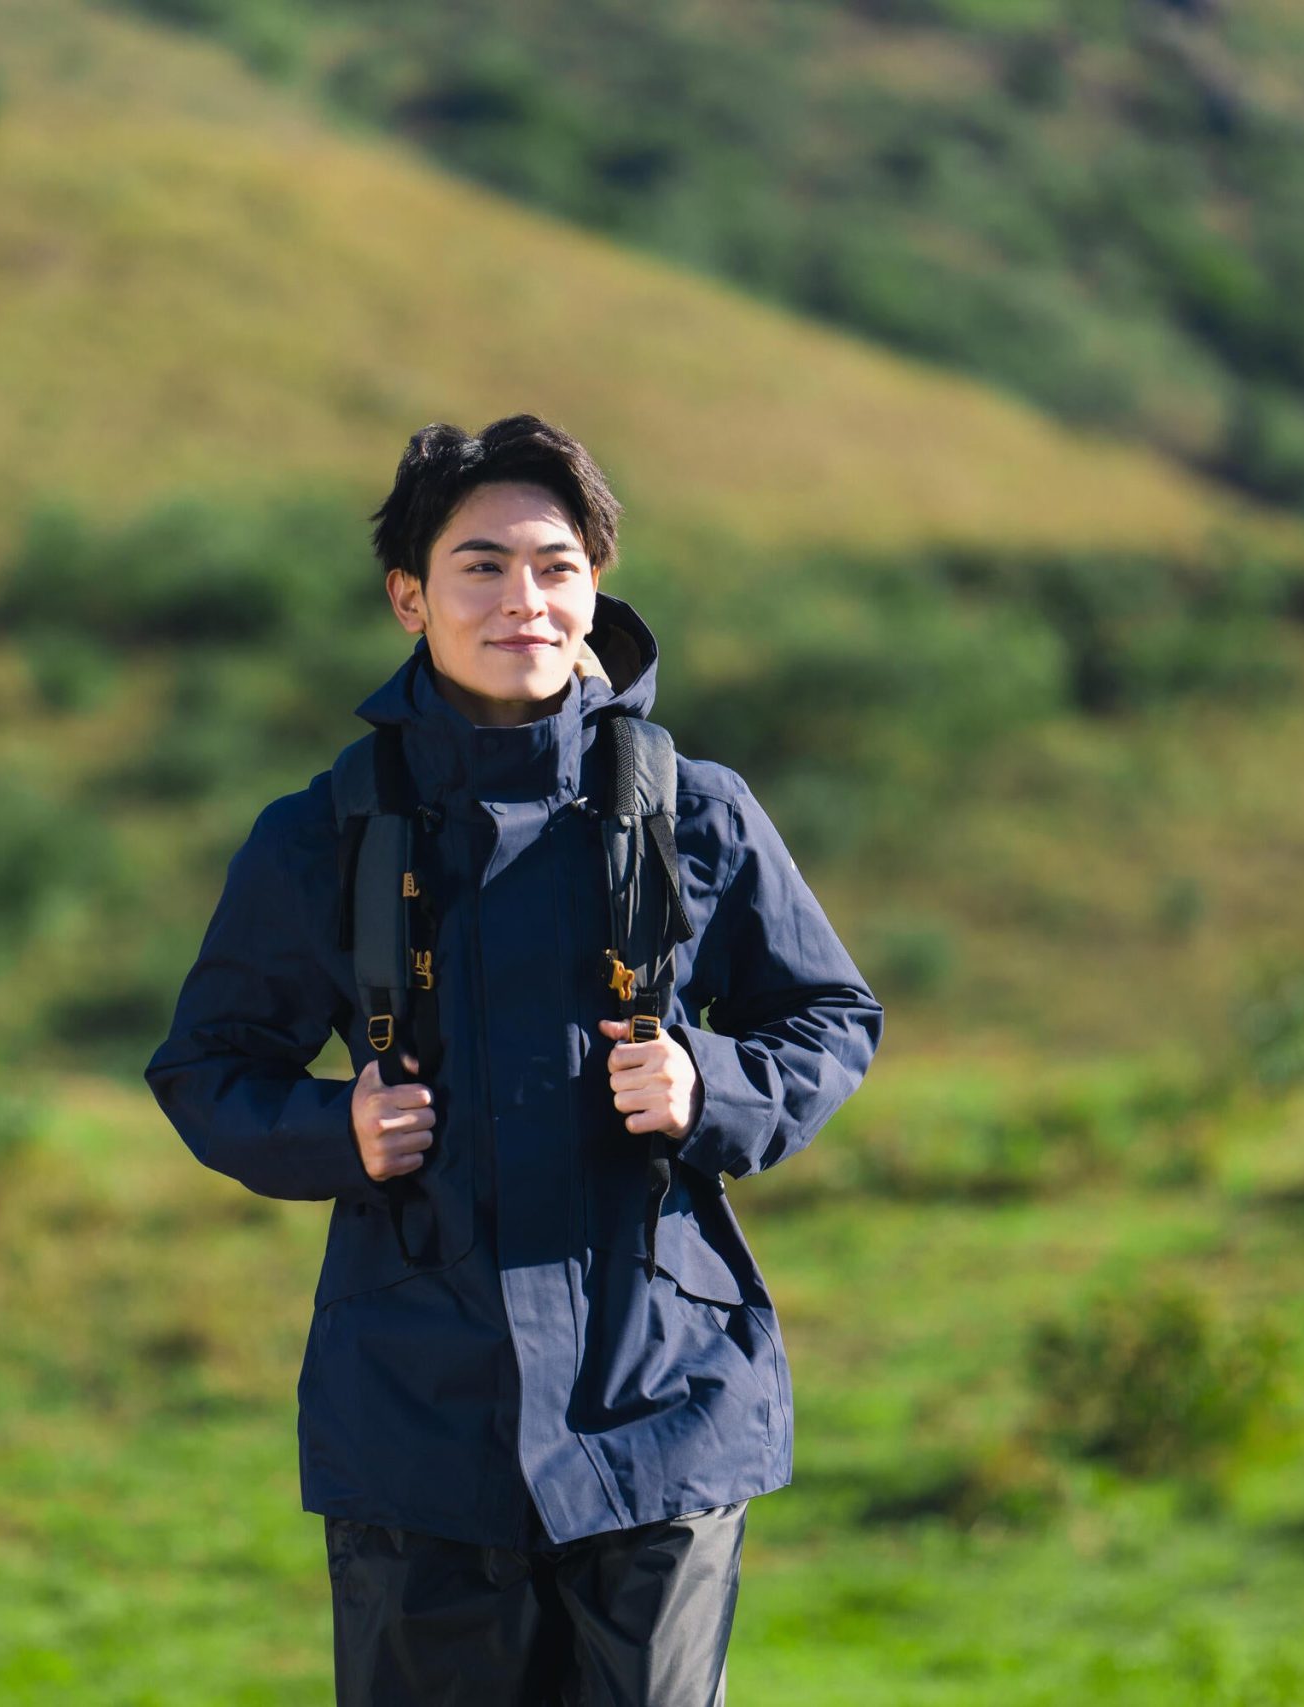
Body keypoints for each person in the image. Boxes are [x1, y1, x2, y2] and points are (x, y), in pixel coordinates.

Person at [143, 413, 884, 1705]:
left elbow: (829, 1016)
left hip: (663, 1406)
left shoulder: (699, 810)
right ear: (409, 596)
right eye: (480, 566)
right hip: (418, 1422)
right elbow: (208, 1065)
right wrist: (334, 1131)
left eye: (555, 566)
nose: (521, 600)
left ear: (595, 590)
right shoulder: (320, 835)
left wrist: (709, 1085)